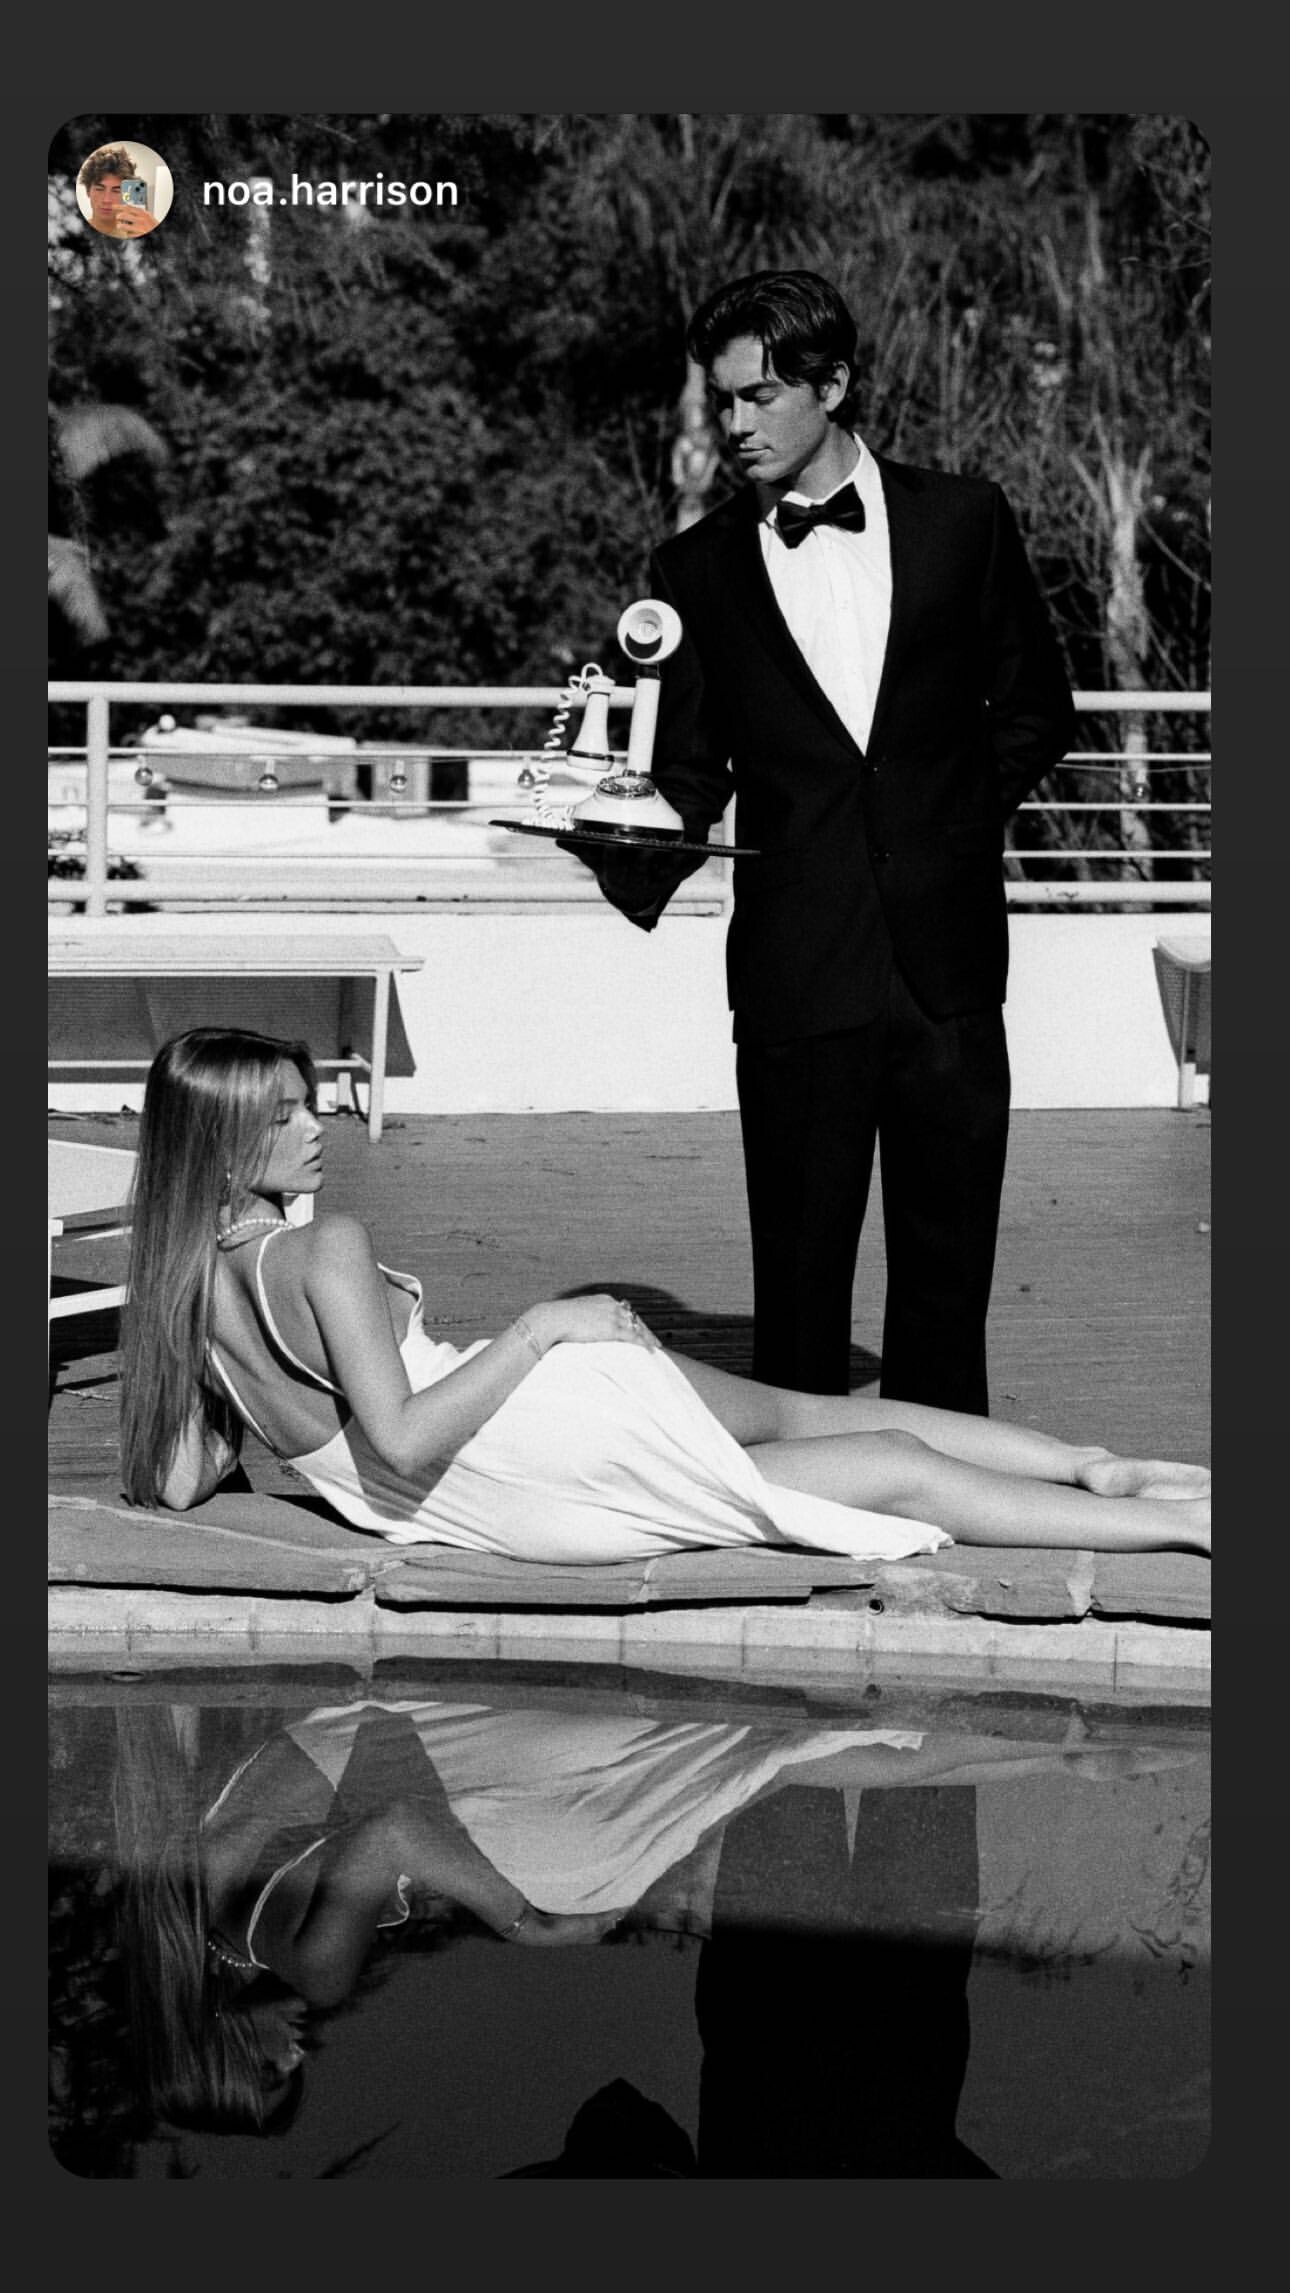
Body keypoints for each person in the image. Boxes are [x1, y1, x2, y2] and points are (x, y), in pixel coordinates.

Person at [118, 1027, 1209, 1563]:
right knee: (857, 1443)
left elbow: (176, 1485)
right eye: (283, 1117)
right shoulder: (325, 1249)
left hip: (507, 1499)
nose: (317, 1128)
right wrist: (544, 1327)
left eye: (309, 1104)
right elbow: (401, 1437)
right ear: (218, 1140)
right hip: (531, 1434)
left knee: (854, 1448)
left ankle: (1112, 1482)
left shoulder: (187, 1293)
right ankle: (1143, 1501)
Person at [569, 270, 1079, 1406]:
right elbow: (687, 773)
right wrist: (613, 835)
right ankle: (799, 1488)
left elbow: (1038, 709)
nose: (735, 424)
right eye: (723, 399)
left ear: (833, 384)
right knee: (797, 1282)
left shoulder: (965, 520)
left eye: (758, 396)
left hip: (946, 962)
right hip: (798, 966)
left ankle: (956, 1474)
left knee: (948, 1274)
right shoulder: (694, 570)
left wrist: (952, 826)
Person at [112, 1691, 1196, 2136]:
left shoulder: (307, 1968)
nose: (298, 2052)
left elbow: (392, 1833)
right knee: (775, 1761)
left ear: (218, 2054)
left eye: (271, 2070)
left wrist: (526, 1924)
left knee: (774, 1763)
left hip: (511, 1809)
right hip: (434, 1739)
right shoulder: (192, 1894)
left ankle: (1054, 1752)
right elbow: (326, 1784)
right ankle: (1052, 1752)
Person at [79, 146, 160, 239]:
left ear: (126, 194)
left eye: (116, 191)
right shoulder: (77, 232)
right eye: (99, 189)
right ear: (88, 191)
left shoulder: (138, 232)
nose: (106, 200)